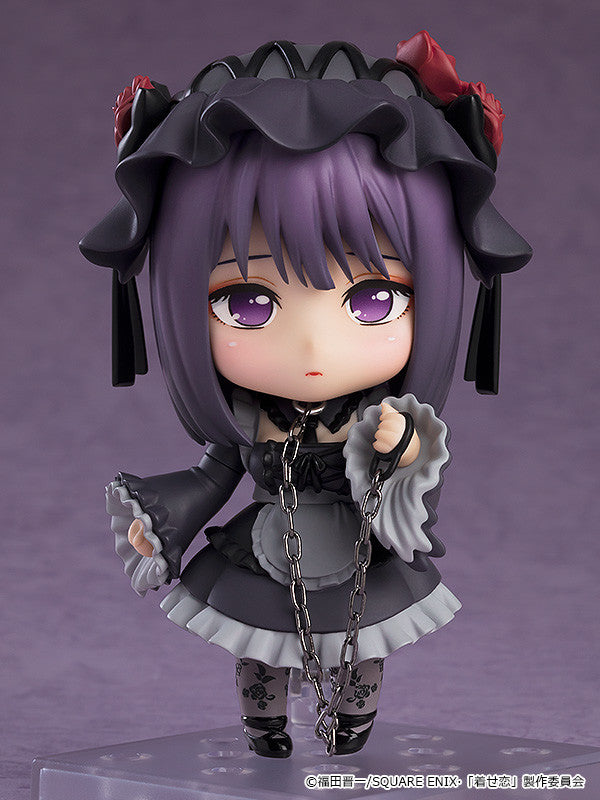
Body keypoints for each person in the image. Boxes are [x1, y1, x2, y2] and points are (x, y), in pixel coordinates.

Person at [80, 34, 531, 758]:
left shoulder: (381, 418)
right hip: (263, 548)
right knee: (257, 643)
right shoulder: (248, 419)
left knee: (365, 644)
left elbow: (418, 484)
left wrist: (401, 453)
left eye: (374, 299)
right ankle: (264, 724)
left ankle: (353, 721)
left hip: (358, 550)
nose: (313, 348)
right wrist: (160, 523)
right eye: (248, 302)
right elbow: (213, 475)